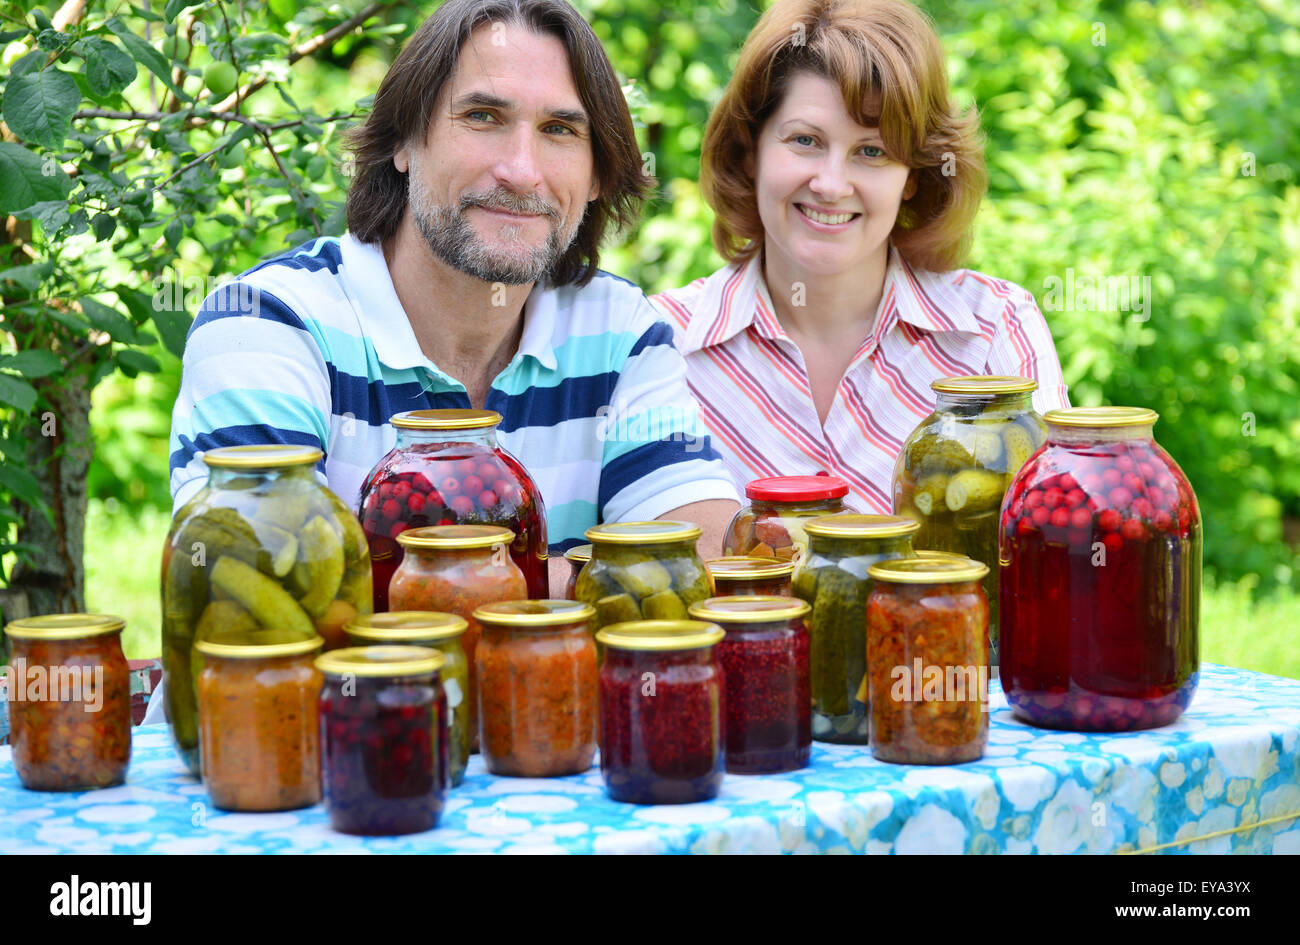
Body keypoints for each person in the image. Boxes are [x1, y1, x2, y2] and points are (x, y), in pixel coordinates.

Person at [166, 0, 741, 576]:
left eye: (559, 130)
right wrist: (601, 579)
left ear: (596, 176)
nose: (521, 170)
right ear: (403, 142)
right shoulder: (266, 324)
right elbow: (255, 578)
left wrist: (402, 581)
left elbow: (700, 554)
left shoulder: (620, 333)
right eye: (483, 117)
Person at [649, 0, 1069, 513]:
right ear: (750, 151)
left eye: (872, 151)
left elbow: (1049, 539)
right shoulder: (659, 344)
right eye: (804, 140)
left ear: (912, 176)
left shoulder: (992, 330)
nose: (830, 184)